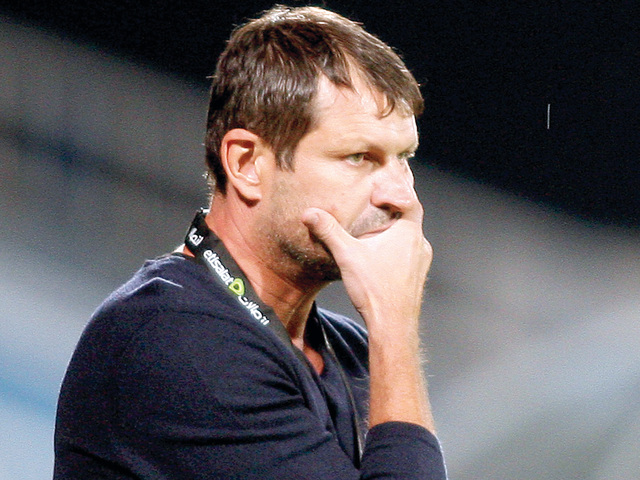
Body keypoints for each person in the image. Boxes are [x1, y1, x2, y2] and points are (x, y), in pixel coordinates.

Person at [54, 5, 447, 479]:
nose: (401, 196)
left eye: (404, 158)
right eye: (359, 157)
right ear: (246, 163)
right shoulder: (173, 339)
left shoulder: (354, 352)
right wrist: (395, 329)